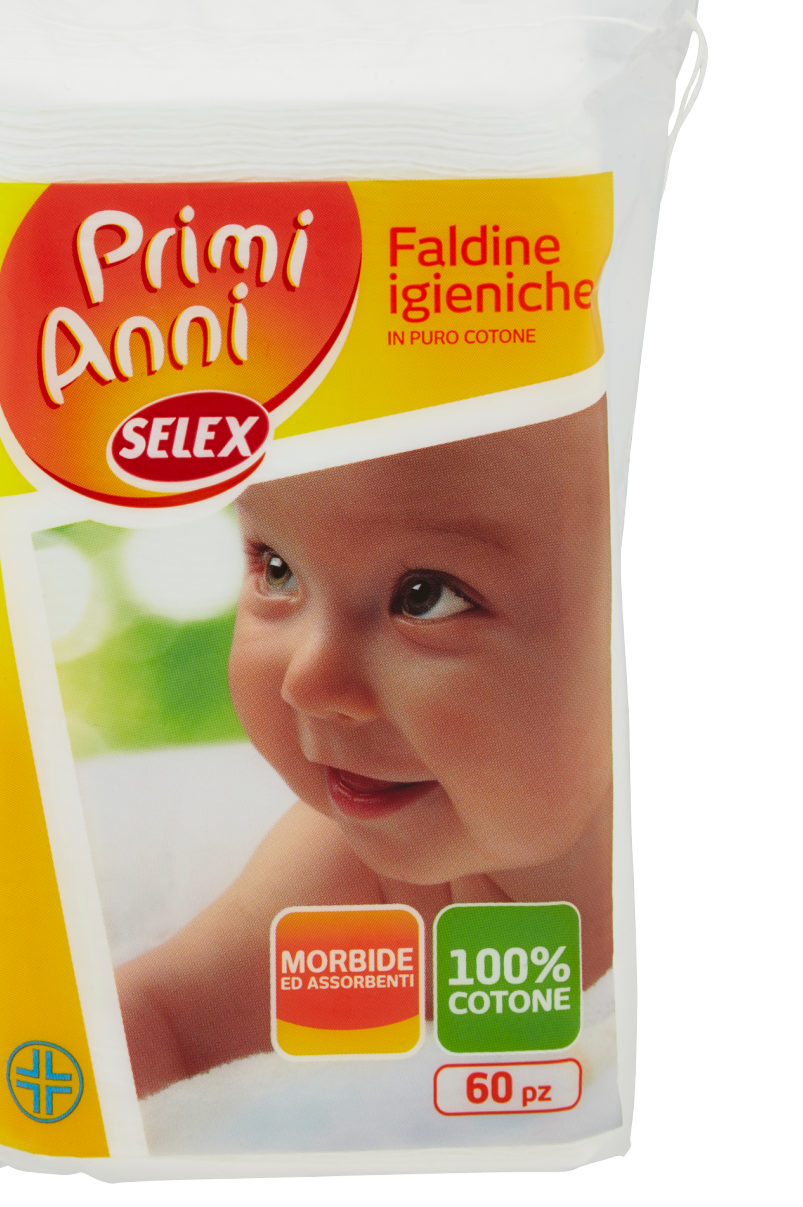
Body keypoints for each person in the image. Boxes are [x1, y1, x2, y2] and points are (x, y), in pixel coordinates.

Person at [115, 399, 613, 1098]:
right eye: (279, 570)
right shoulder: (355, 885)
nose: (307, 682)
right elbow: (157, 1021)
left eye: (425, 597)